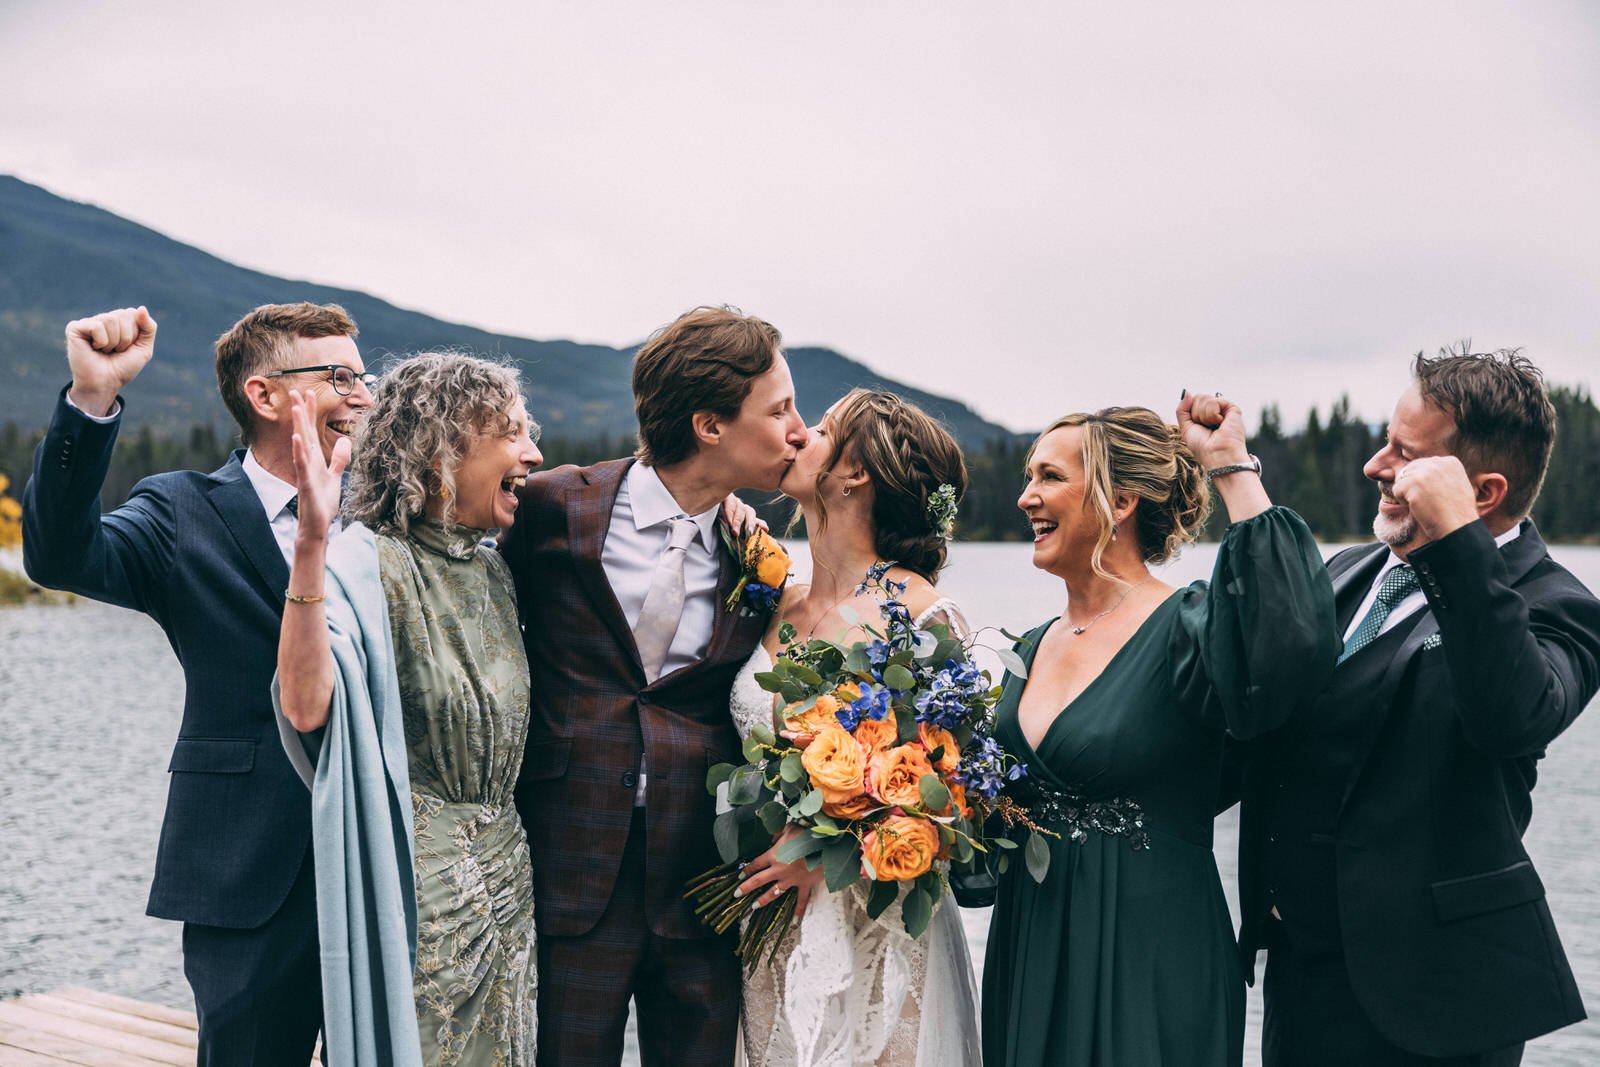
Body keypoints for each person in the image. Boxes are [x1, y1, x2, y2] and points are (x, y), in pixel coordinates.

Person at [22, 302, 371, 1065]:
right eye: (341, 376)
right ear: (268, 394)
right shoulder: (183, 511)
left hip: (377, 859)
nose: (363, 395)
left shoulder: (385, 515)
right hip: (244, 866)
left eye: (362, 375)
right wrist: (91, 402)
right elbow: (58, 556)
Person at [1236, 348, 1600, 1066]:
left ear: (1483, 492)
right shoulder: (1347, 570)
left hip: (1441, 1001)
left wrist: (1460, 540)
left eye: (1405, 455)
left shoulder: (1561, 607)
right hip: (1303, 982)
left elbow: (1513, 714)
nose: (1376, 464)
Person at [980, 397, 1339, 1067]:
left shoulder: (1189, 627)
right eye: (1028, 475)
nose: (1026, 496)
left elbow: (1295, 635)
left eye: (1050, 476)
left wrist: (1230, 464)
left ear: (1120, 501)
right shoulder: (1024, 650)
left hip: (1149, 950)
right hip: (1031, 942)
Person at [497, 306, 809, 1067]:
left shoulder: (757, 560)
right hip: (568, 870)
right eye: (779, 409)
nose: (799, 428)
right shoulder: (549, 509)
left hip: (702, 880)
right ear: (709, 424)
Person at [276, 353, 543, 1066]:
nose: (533, 452)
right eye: (511, 432)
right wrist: (310, 540)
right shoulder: (368, 562)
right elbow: (305, 709)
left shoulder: (495, 572)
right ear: (444, 447)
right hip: (418, 897)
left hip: (510, 883)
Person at [730, 388, 982, 1066]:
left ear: (854, 472)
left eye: (815, 430)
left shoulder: (923, 615)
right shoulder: (775, 604)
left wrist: (818, 846)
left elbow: (950, 790)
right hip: (770, 924)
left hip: (877, 921)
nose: (793, 436)